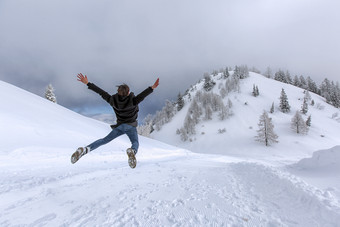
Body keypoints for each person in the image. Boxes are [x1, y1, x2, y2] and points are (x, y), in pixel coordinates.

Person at [71, 73, 159, 168]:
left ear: (118, 92)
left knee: (104, 140)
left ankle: (85, 149)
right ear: (128, 92)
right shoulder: (134, 101)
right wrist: (152, 87)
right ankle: (132, 151)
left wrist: (88, 83)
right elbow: (142, 95)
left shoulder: (112, 100)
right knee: (135, 142)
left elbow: (101, 92)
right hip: (131, 126)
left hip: (120, 126)